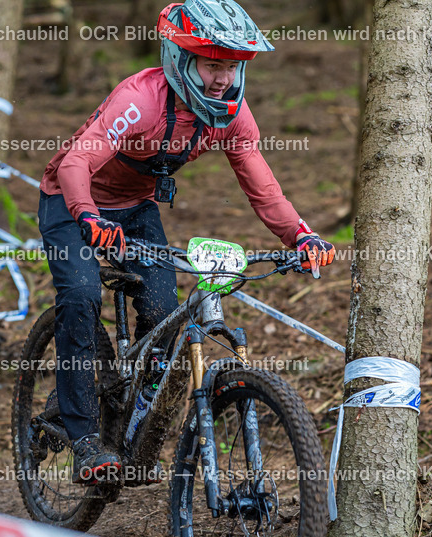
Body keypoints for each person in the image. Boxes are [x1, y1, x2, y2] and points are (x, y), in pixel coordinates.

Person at [37, 0, 336, 484]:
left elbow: (263, 188)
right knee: (81, 296)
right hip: (72, 201)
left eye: (232, 67)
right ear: (181, 60)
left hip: (135, 210)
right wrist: (88, 217)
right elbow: (75, 164)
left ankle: (133, 416)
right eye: (212, 64)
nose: (223, 79)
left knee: (162, 312)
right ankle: (85, 439)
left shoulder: (232, 116)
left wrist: (302, 236)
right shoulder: (140, 100)